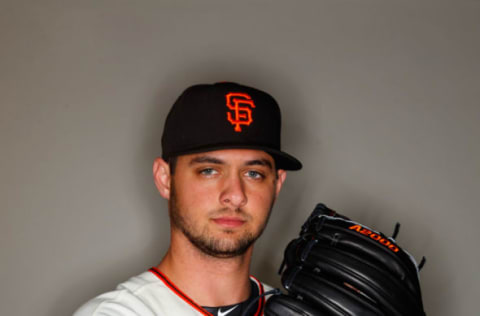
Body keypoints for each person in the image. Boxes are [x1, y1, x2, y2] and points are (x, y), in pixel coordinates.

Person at [74, 82, 302, 316]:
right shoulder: (116, 313)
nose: (234, 195)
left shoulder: (293, 311)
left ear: (277, 184)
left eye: (254, 174)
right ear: (165, 179)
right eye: (209, 171)